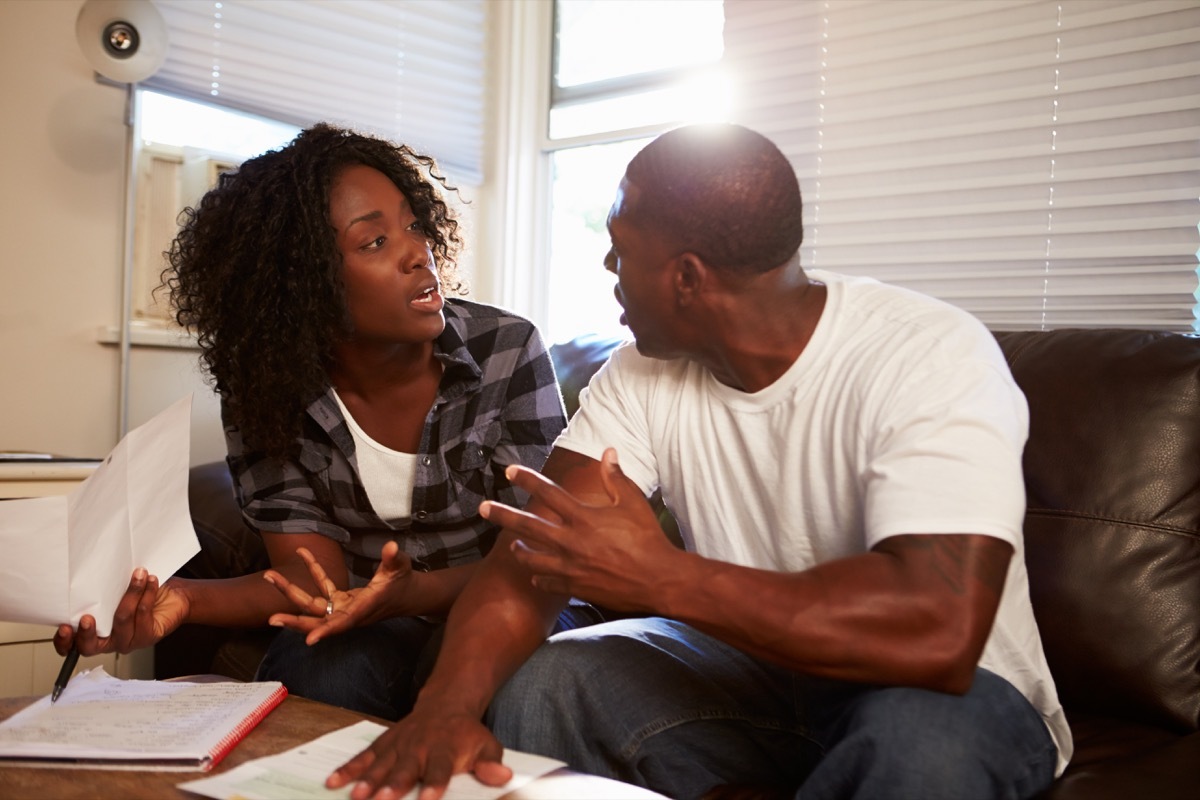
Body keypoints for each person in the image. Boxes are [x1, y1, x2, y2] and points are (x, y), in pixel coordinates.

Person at [269, 123, 1073, 800]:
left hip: (951, 696)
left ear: (687, 278)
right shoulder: (641, 374)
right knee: (548, 678)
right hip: (758, 679)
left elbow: (936, 626)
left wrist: (664, 578)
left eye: (620, 253)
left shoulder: (927, 353)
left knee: (917, 742)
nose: (609, 272)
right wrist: (445, 705)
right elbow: (530, 557)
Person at [52, 122, 590, 721]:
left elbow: (547, 559)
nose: (419, 252)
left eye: (414, 225)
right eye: (374, 243)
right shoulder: (270, 388)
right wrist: (179, 598)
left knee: (481, 661)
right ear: (304, 283)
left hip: (513, 598)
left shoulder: (506, 352)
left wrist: (412, 595)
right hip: (362, 616)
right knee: (316, 664)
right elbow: (310, 580)